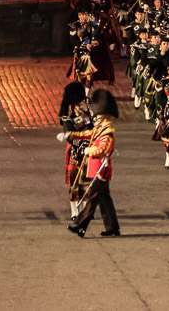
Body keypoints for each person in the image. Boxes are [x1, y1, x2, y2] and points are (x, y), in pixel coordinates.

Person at [60, 88, 121, 238]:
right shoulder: (100, 128)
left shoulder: (107, 131)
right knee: (104, 200)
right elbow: (86, 134)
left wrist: (88, 150)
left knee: (91, 200)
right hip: (96, 169)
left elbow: (102, 149)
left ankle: (80, 226)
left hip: (100, 170)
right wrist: (70, 134)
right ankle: (112, 227)